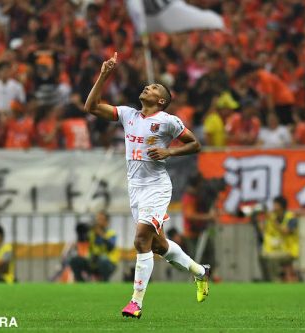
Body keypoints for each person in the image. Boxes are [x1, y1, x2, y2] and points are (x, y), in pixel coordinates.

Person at [83, 52, 210, 319]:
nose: (147, 87)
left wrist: (169, 153)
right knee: (157, 246)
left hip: (157, 185)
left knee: (141, 239)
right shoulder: (128, 115)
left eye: (153, 87)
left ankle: (135, 303)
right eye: (148, 85)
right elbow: (91, 107)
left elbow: (195, 144)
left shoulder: (167, 120)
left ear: (161, 100)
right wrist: (104, 74)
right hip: (136, 188)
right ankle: (199, 271)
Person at [258, 196, 299, 282]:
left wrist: (272, 220)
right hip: (276, 249)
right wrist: (262, 217)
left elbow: (285, 231)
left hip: (289, 251)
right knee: (262, 256)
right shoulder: (272, 216)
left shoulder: (291, 217)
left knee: (271, 258)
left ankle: (276, 280)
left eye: (275, 204)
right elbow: (262, 229)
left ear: (281, 206)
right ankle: (268, 279)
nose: (273, 207)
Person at [69, 211, 119, 282]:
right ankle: (80, 283)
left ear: (107, 222)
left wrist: (101, 234)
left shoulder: (111, 233)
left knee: (103, 260)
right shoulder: (91, 233)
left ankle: (104, 283)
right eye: (97, 219)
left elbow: (111, 247)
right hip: (93, 262)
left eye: (101, 219)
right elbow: (81, 240)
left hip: (108, 263)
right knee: (75, 260)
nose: (98, 222)